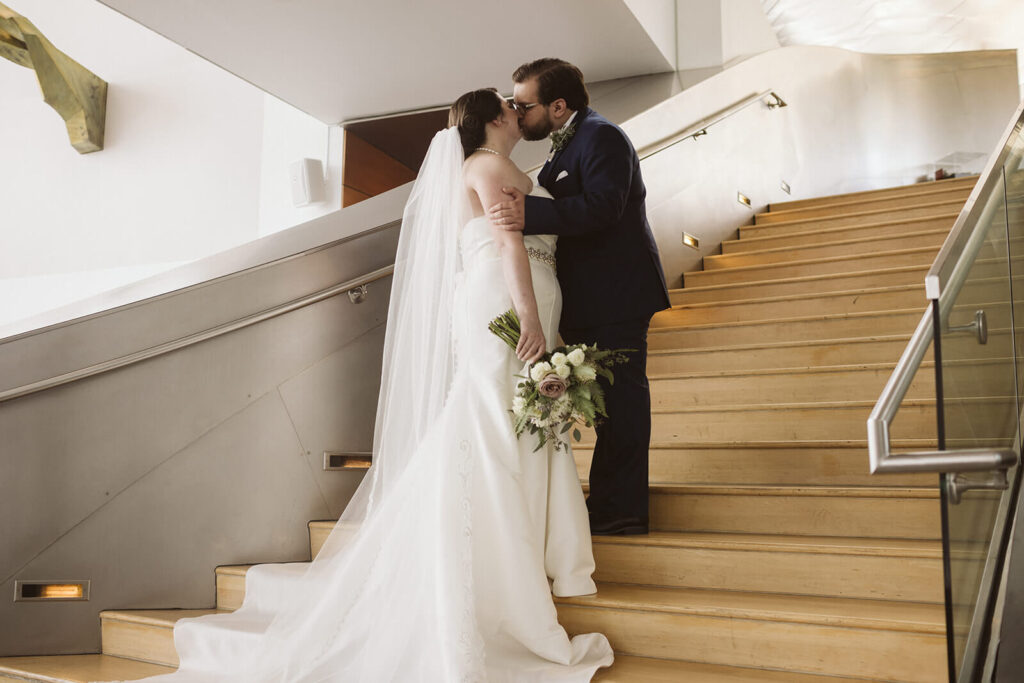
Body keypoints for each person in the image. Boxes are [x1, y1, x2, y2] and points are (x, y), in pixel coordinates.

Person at [120, 89, 613, 682]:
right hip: (505, 301)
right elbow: (508, 241)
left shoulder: (501, 167)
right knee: (493, 420)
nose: (516, 109)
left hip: (519, 295)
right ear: (495, 119)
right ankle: (498, 560)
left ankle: (523, 549)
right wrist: (530, 319)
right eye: (509, 105)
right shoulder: (485, 165)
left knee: (512, 419)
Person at [488, 58, 671, 537]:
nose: (516, 112)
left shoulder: (602, 136)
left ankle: (623, 509)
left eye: (522, 105)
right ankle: (609, 501)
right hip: (594, 297)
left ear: (558, 105)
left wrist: (525, 211)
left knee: (624, 404)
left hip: (619, 293)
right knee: (610, 406)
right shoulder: (567, 142)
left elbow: (604, 207)